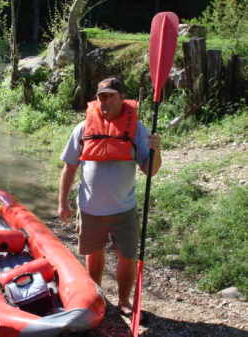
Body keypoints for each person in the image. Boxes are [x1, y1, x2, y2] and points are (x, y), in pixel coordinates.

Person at [57, 77, 161, 316]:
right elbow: (69, 168)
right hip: (91, 208)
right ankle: (96, 298)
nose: (105, 101)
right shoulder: (83, 128)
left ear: (121, 98)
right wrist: (62, 203)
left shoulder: (136, 128)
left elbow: (150, 170)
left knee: (127, 257)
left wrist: (157, 149)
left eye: (110, 96)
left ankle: (124, 301)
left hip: (124, 208)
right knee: (93, 255)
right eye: (101, 96)